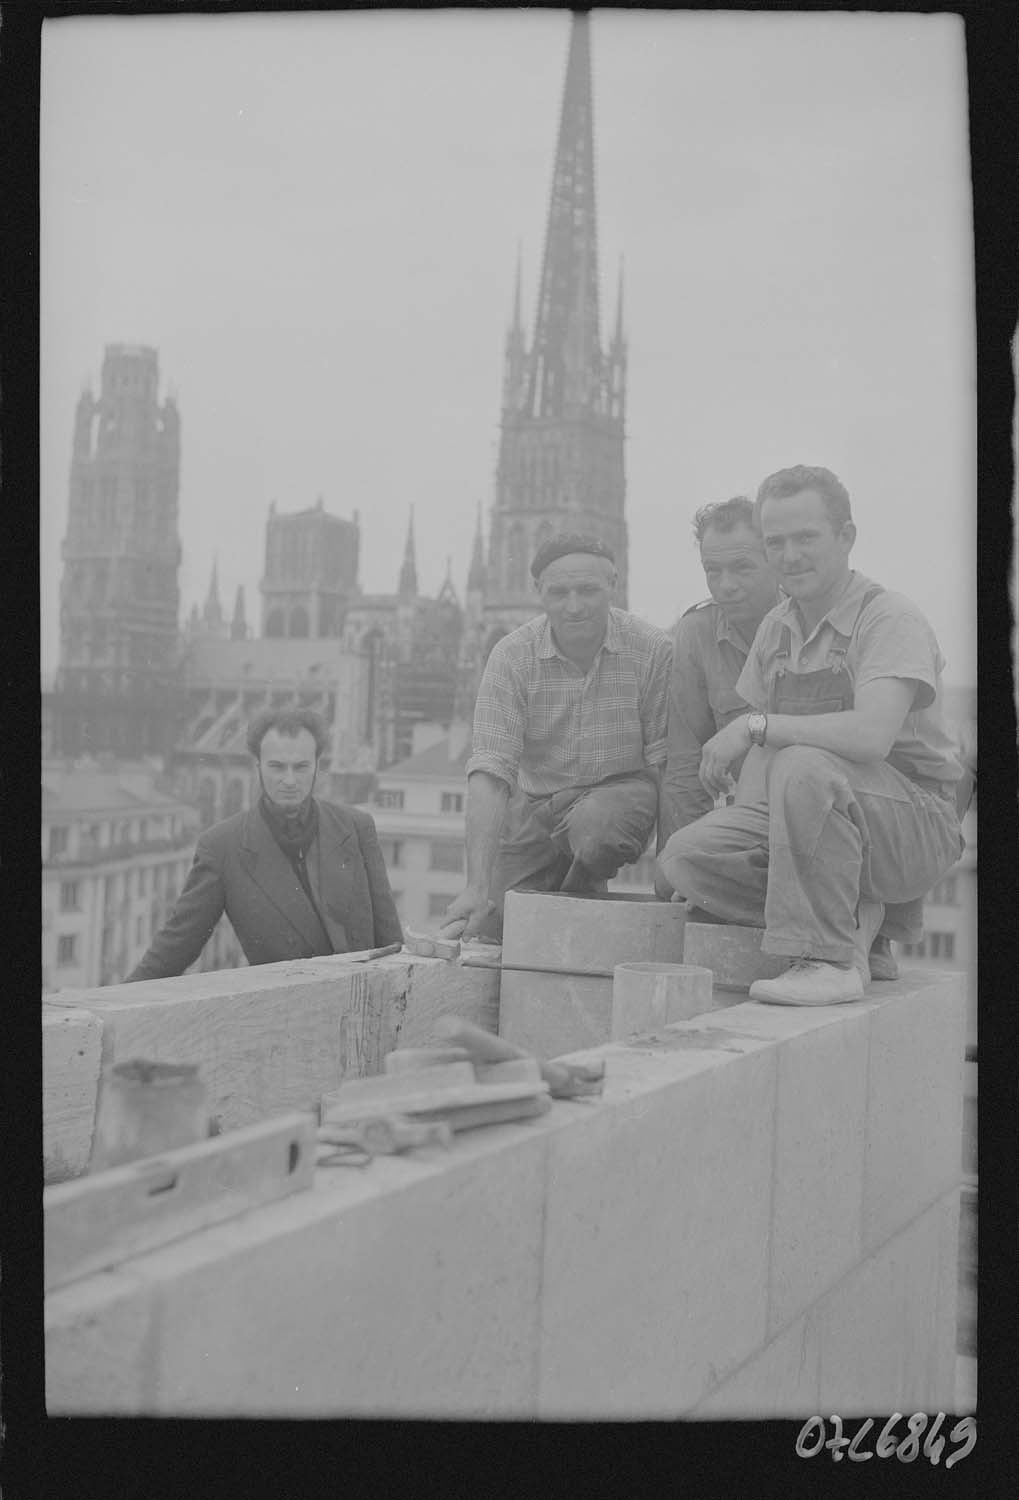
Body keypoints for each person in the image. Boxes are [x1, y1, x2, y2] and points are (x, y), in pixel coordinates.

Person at [658, 465, 965, 1006]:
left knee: (802, 763)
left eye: (806, 537)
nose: (790, 554)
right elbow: (759, 764)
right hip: (815, 814)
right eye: (775, 541)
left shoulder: (889, 616)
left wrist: (752, 725)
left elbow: (871, 737)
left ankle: (829, 961)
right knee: (686, 857)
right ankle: (856, 925)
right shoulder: (778, 626)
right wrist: (749, 836)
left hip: (913, 827)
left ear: (846, 537)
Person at [442, 532, 672, 941]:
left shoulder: (652, 649)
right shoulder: (512, 655)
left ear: (613, 585)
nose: (574, 606)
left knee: (594, 829)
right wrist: (475, 887)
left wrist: (671, 877)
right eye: (559, 592)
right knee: (491, 927)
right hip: (535, 804)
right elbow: (490, 772)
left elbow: (666, 766)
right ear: (538, 592)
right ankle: (571, 897)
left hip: (619, 795)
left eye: (588, 590)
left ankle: (579, 893)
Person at [127, 707, 402, 980]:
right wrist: (113, 1005)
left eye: (301, 767)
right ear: (257, 767)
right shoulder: (223, 846)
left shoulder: (356, 827)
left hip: (365, 1009)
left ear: (318, 765)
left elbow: (392, 942)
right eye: (277, 767)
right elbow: (175, 946)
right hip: (290, 1014)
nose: (289, 780)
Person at [657, 495, 780, 864]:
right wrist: (675, 862)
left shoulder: (806, 623)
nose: (725, 585)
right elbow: (683, 763)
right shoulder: (695, 633)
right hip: (733, 828)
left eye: (742, 567)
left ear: (773, 561)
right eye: (712, 570)